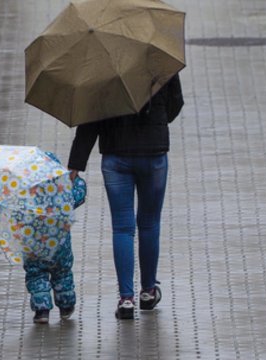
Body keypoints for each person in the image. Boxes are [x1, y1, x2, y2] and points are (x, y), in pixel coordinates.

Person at [67, 74, 184, 319]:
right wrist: (156, 120)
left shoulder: (102, 64)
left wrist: (76, 163)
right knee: (150, 224)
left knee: (122, 227)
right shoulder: (161, 56)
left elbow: (90, 119)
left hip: (116, 155)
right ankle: (149, 291)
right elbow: (176, 104)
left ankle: (126, 299)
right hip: (154, 153)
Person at [20, 152, 87, 324]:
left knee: (36, 276)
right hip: (60, 247)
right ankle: (66, 305)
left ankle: (42, 310)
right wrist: (76, 179)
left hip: (33, 248)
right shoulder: (62, 194)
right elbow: (80, 193)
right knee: (63, 274)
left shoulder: (24, 196)